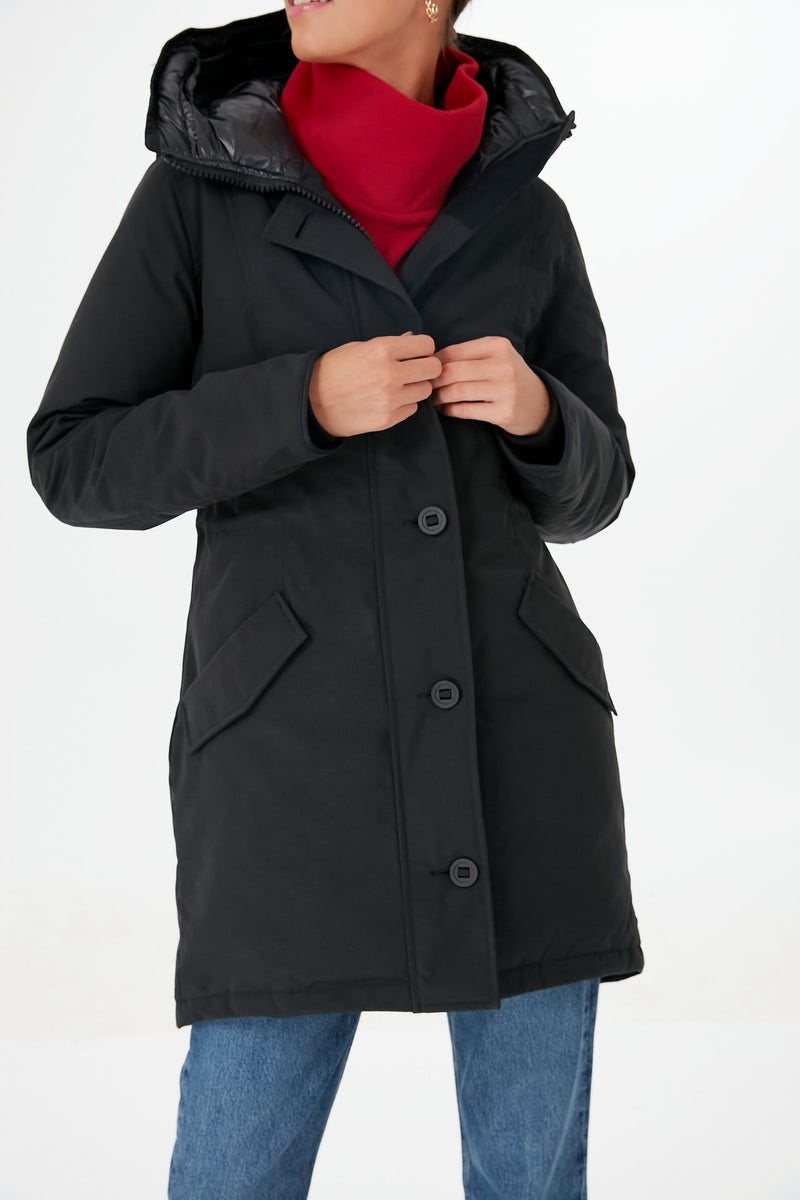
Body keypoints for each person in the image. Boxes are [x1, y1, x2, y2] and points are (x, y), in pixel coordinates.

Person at [25, 1, 644, 1195]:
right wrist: (297, 402)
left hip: (523, 753)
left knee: (530, 1178)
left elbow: (596, 489)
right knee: (235, 1167)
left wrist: (541, 418)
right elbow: (75, 462)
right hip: (287, 763)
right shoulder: (199, 197)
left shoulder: (528, 213)